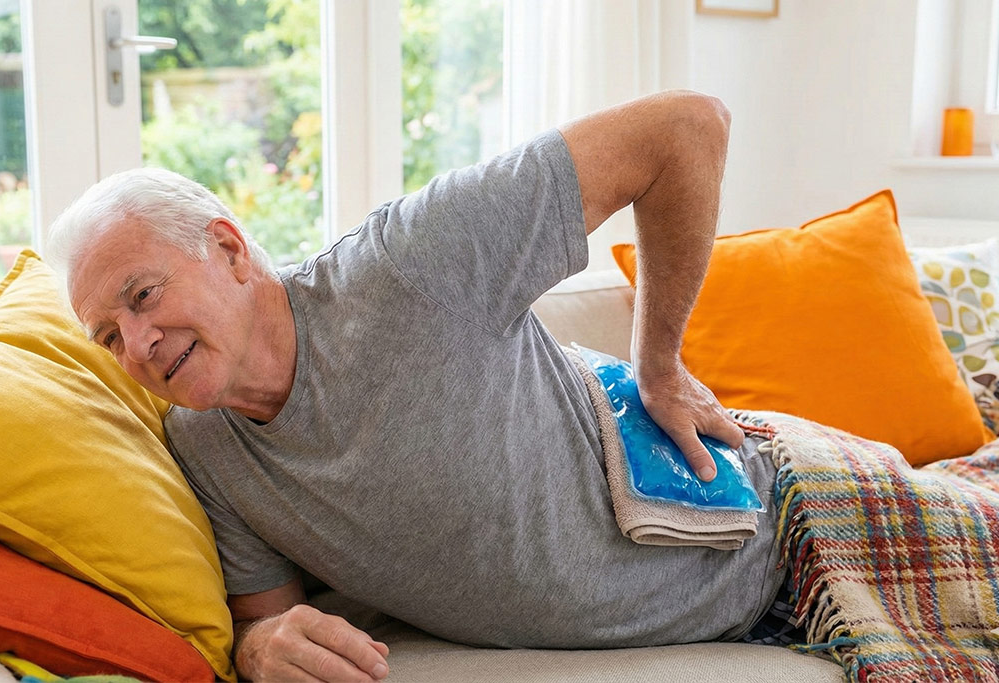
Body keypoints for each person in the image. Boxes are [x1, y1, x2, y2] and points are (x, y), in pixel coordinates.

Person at [47, 90, 784, 683]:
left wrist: (660, 363)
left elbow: (686, 127)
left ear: (229, 250)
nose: (137, 344)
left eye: (142, 295)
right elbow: (269, 619)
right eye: (109, 335)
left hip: (782, 538)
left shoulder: (410, 262)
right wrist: (258, 642)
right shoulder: (204, 446)